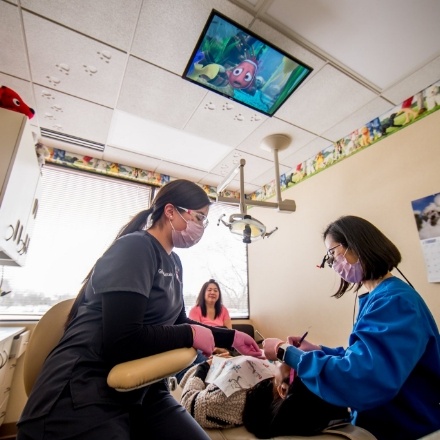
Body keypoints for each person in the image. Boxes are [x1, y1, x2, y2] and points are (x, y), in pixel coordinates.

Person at [17, 179, 261, 440]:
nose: (201, 227)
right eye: (199, 218)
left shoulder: (175, 264)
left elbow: (179, 321)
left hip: (145, 390)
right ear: (170, 212)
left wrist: (232, 337)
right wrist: (189, 335)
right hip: (84, 390)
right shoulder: (135, 248)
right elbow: (123, 342)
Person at [263, 215, 440, 440]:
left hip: (409, 428)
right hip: (386, 422)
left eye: (332, 254)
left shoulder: (395, 302)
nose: (333, 264)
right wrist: (317, 350)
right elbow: (363, 356)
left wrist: (284, 352)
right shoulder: (379, 298)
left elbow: (361, 378)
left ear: (357, 244)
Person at [179, 354, 350, 437]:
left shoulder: (232, 399)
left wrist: (204, 366)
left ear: (283, 390)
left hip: (193, 375)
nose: (295, 356)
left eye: (295, 362)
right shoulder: (276, 381)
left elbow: (189, 402)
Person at [176, 279, 232, 383]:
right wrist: (215, 349)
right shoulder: (195, 310)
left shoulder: (223, 310)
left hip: (222, 345)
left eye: (215, 290)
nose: (212, 292)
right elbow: (195, 337)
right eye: (209, 290)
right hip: (203, 348)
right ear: (203, 293)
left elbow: (229, 332)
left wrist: (223, 348)